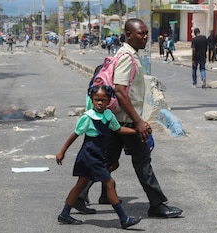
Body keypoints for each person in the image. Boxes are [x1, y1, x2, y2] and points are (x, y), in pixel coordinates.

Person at [75, 18, 183, 219]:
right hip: (126, 119)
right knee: (142, 162)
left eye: (146, 33)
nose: (144, 37)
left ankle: (79, 196)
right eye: (140, 33)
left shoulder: (128, 55)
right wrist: (139, 121)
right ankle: (157, 204)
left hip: (118, 118)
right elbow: (120, 91)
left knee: (107, 161)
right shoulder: (127, 57)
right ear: (129, 35)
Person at [56, 85, 142, 229]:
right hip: (89, 157)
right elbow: (75, 135)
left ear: (109, 101)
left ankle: (64, 214)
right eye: (96, 100)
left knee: (80, 185)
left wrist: (136, 131)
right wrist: (62, 152)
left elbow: (119, 129)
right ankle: (124, 218)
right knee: (109, 183)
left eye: (103, 100)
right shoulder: (88, 117)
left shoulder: (108, 116)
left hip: (97, 156)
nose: (99, 103)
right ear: (92, 100)